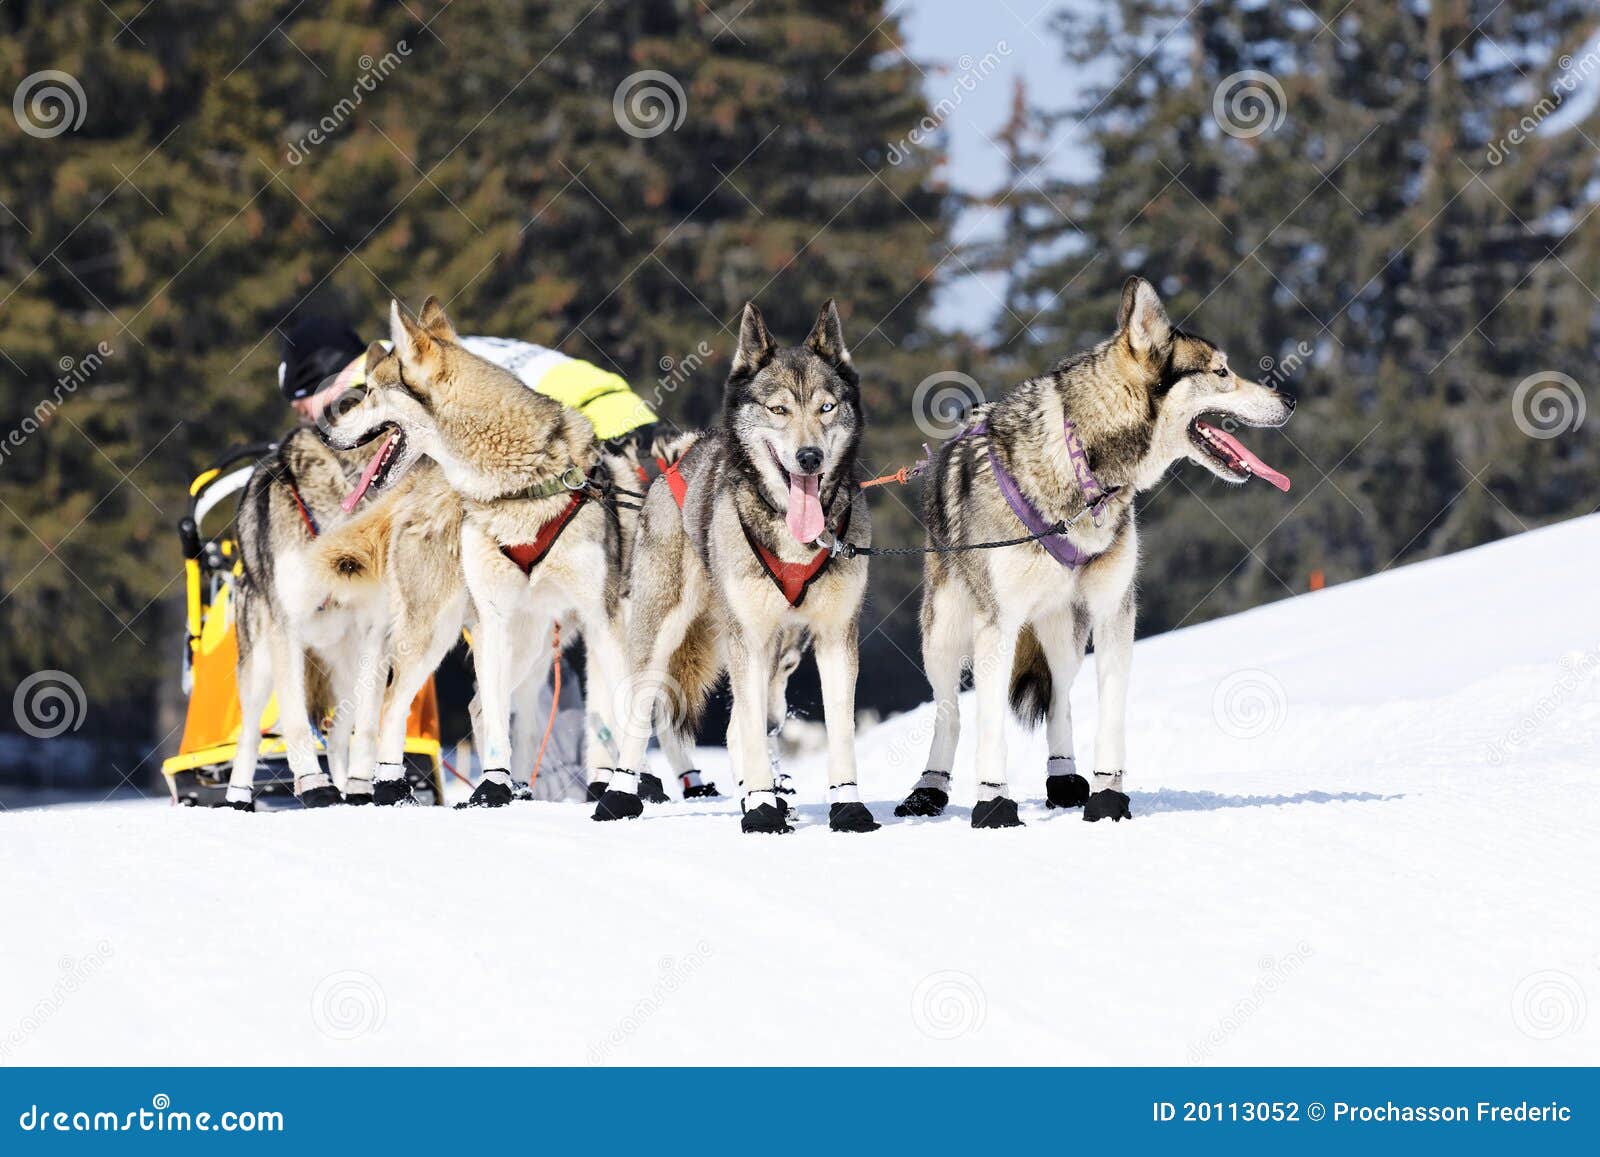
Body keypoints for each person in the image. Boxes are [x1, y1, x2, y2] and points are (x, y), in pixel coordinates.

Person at [274, 314, 669, 801]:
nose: (309, 420)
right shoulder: (433, 346)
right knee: (579, 615)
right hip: (623, 417)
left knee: (556, 616)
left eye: (302, 406)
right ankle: (591, 770)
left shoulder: (391, 372)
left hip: (579, 442)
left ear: (326, 378)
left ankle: (576, 774)